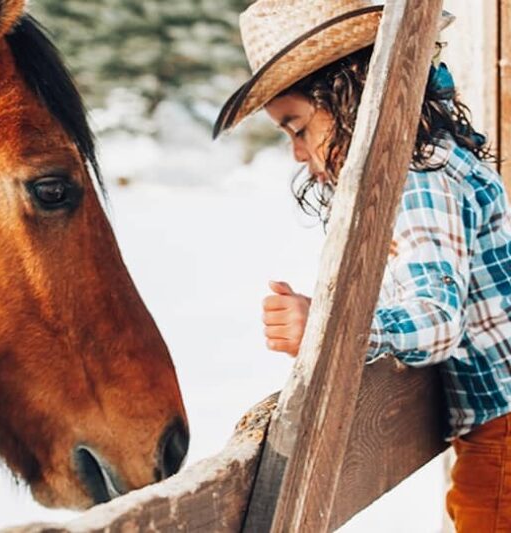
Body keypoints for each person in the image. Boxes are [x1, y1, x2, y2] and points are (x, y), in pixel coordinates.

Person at [214, 1, 511, 531]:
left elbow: (436, 319)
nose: (298, 155)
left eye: (297, 127)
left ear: (351, 97)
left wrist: (331, 327)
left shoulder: (418, 178)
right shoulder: (435, 160)